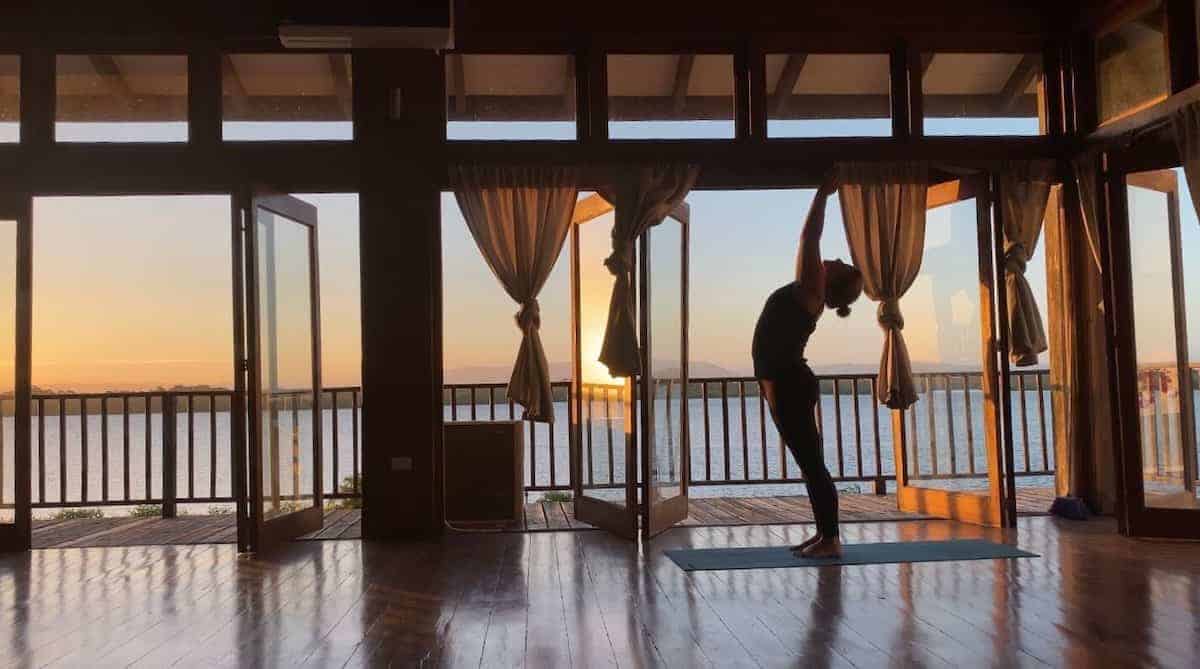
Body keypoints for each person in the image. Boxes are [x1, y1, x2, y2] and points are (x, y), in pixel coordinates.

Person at [752, 174, 864, 558]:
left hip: (791, 385)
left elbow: (809, 239)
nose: (833, 258)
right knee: (808, 462)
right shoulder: (809, 293)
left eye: (840, 262)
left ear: (830, 280)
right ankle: (824, 535)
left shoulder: (811, 290)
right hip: (786, 384)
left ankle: (831, 539)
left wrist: (822, 193)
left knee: (812, 463)